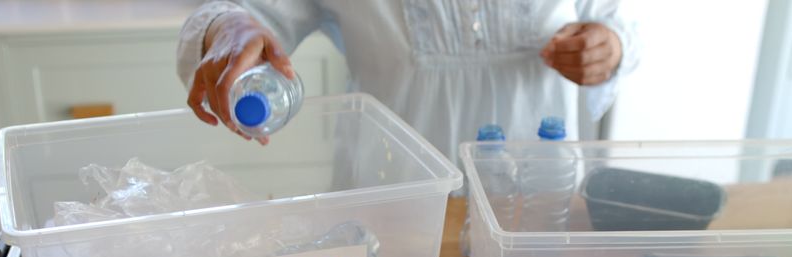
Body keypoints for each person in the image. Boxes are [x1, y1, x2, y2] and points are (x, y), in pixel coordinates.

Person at [177, 1, 638, 160]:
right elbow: (246, 11)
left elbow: (615, 20)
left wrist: (609, 46)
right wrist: (230, 26)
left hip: (538, 185)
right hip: (393, 184)